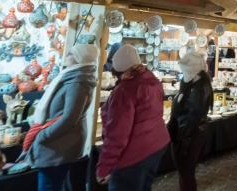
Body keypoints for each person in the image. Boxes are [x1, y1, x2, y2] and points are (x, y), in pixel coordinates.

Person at [96, 44, 169, 190]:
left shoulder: (125, 90)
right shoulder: (152, 80)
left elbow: (117, 134)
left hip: (135, 154)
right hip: (156, 145)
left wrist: (104, 167)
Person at [28, 44, 99, 191]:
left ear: (80, 59)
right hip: (60, 141)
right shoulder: (72, 76)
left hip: (59, 143)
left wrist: (43, 136)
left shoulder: (78, 82)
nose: (67, 56)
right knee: (58, 183)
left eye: (71, 54)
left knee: (49, 185)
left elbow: (70, 118)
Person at [168, 49, 213, 191]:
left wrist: (183, 138)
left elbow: (193, 116)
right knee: (185, 173)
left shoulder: (197, 88)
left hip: (188, 137)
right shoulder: (192, 83)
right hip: (186, 135)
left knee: (186, 173)